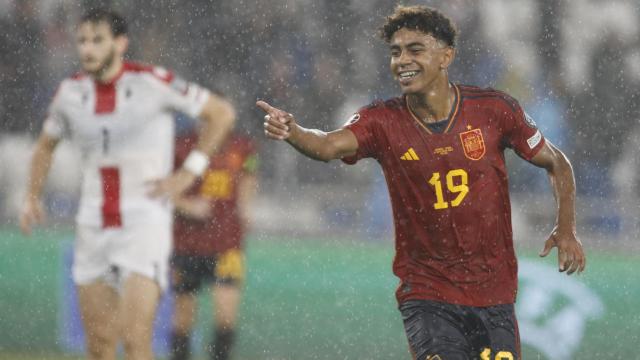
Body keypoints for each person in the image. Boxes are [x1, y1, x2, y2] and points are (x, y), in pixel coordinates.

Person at [258, 5, 585, 360]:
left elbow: (557, 163)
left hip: (494, 293)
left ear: (446, 56)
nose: (402, 60)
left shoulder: (494, 110)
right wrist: (294, 131)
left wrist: (565, 229)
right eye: (395, 52)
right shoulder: (382, 121)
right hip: (428, 293)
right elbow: (328, 144)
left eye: (415, 49)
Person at [19, 9, 235, 360]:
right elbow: (45, 145)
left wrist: (188, 173)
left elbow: (221, 113)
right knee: (100, 346)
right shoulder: (70, 94)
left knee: (136, 342)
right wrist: (31, 195)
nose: (88, 49)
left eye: (97, 40)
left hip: (144, 222)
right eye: (82, 41)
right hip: (93, 223)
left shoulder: (153, 82)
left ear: (120, 43)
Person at [169, 128, 258, 360]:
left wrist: (246, 206)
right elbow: (163, 189)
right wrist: (187, 205)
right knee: (183, 317)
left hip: (228, 244)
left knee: (226, 316)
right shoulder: (181, 146)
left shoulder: (242, 147)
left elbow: (250, 173)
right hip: (187, 243)